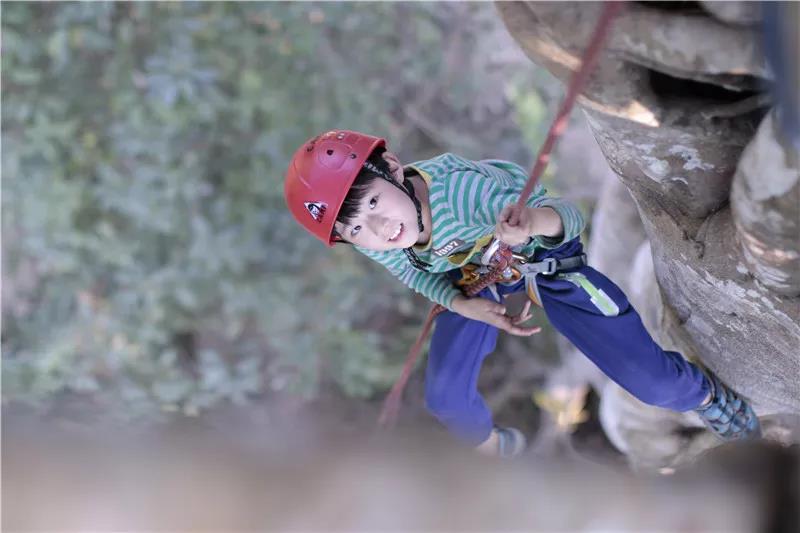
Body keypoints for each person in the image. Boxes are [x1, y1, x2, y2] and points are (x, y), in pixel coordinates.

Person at [284, 129, 761, 457]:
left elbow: (569, 217)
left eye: (373, 202)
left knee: (651, 383)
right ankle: (494, 447)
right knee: (446, 398)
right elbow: (417, 276)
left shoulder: (462, 197)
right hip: (474, 278)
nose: (379, 228)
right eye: (356, 228)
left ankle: (704, 397)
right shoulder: (380, 240)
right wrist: (463, 304)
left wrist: (532, 223)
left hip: (539, 257)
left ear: (391, 168)